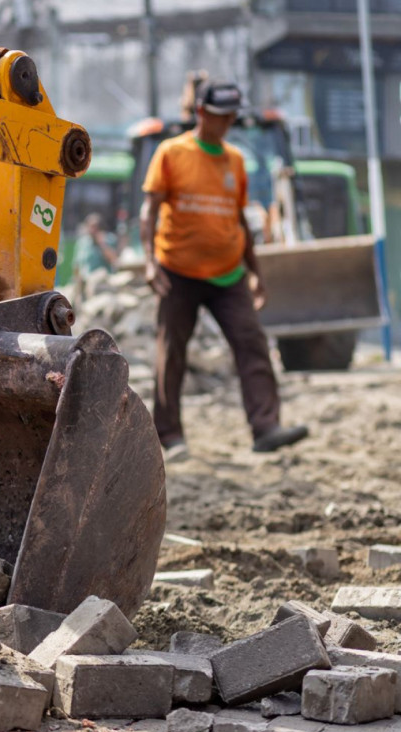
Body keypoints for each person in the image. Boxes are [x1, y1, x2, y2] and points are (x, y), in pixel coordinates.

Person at [141, 81, 308, 456]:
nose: (227, 123)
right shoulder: (172, 152)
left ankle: (266, 427)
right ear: (201, 113)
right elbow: (149, 212)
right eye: (221, 116)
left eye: (232, 117)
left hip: (228, 274)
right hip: (178, 272)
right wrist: (151, 264)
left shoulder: (234, 160)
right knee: (171, 353)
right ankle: (168, 436)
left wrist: (256, 273)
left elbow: (239, 221)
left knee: (252, 343)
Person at [74, 213, 119, 278]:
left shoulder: (109, 239)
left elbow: (114, 260)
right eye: (91, 226)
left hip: (103, 279)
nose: (93, 230)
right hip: (85, 279)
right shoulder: (82, 243)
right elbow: (77, 265)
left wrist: (102, 244)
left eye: (96, 227)